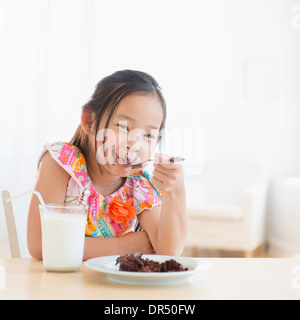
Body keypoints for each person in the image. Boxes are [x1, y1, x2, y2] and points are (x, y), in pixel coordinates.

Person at [27, 70, 187, 260]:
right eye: (123, 127)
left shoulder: (139, 185)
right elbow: (41, 245)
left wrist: (175, 191)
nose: (134, 144)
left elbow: (168, 251)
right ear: (89, 121)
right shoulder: (62, 163)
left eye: (148, 136)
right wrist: (123, 246)